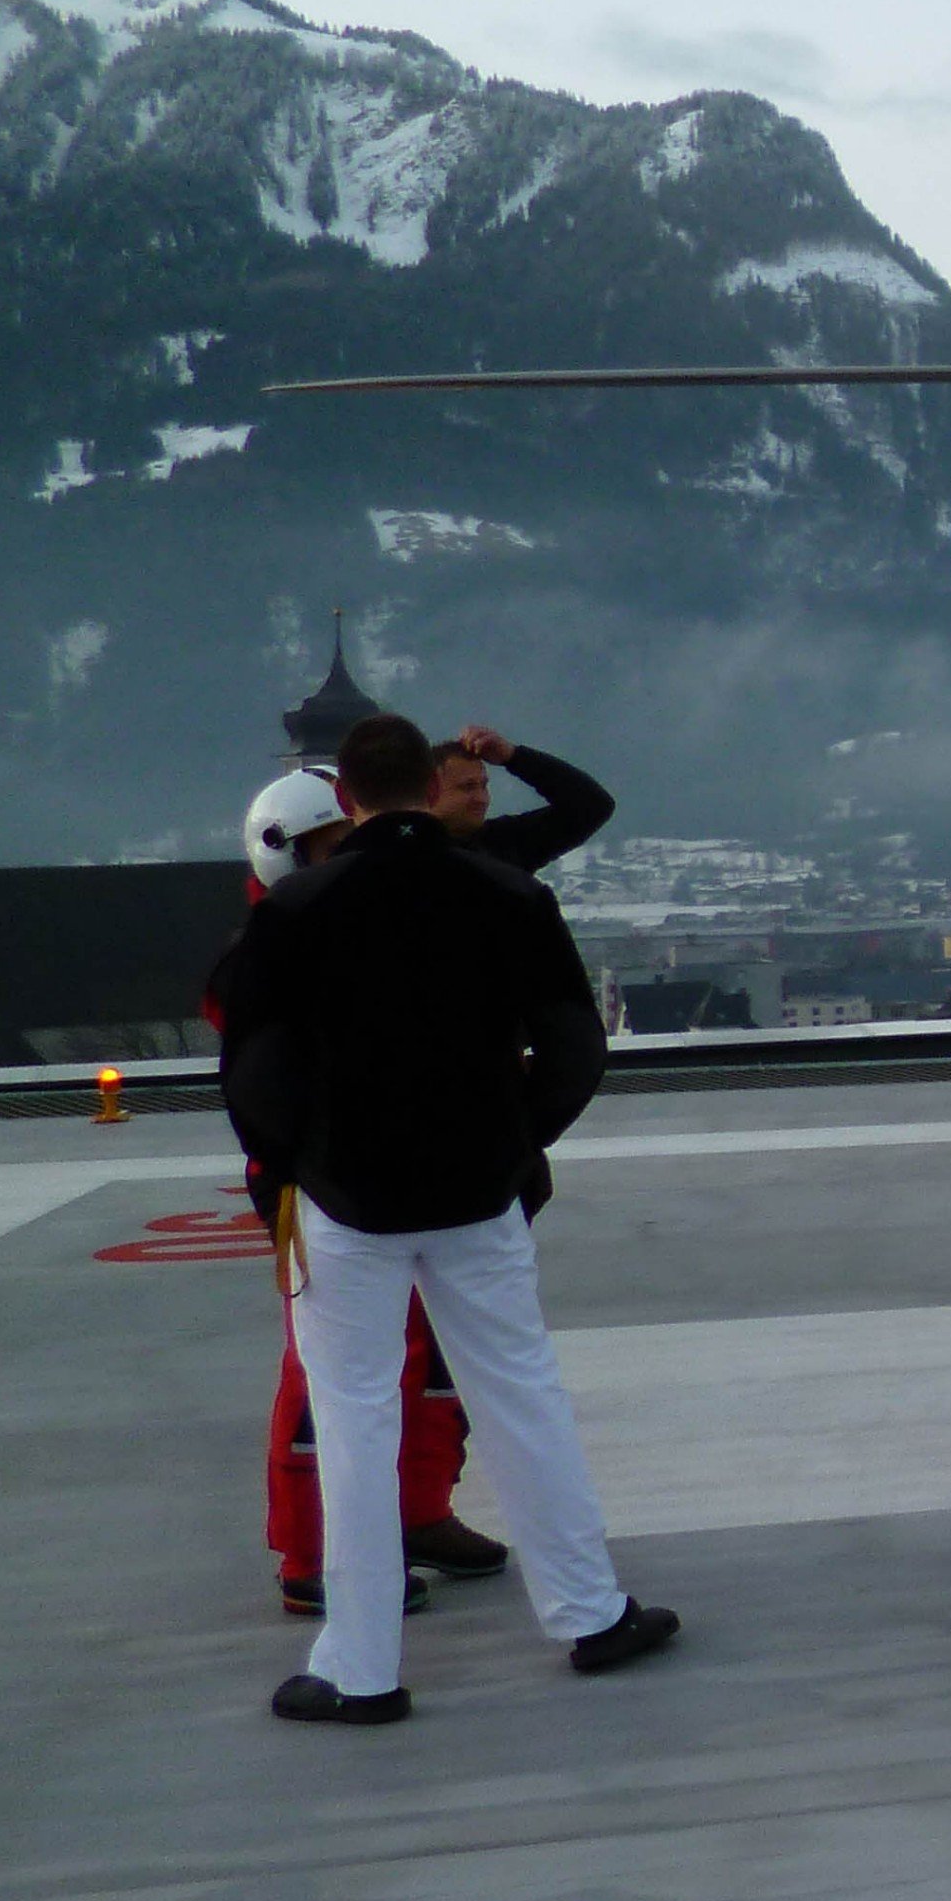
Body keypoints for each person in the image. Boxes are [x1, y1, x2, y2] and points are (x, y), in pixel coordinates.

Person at [218, 714, 670, 1722]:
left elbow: (254, 1068)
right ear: (430, 787)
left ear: (345, 799)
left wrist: (296, 1166)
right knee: (522, 1397)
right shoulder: (507, 892)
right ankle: (591, 1615)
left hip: (345, 1199)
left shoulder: (295, 909)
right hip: (479, 1192)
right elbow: (574, 1047)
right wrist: (515, 1140)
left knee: (353, 1418)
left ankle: (360, 1667)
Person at [434, 723, 619, 871]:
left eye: (483, 786)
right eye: (467, 787)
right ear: (430, 790)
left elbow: (592, 806)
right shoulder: (415, 857)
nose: (482, 798)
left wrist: (513, 757)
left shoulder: (504, 845)